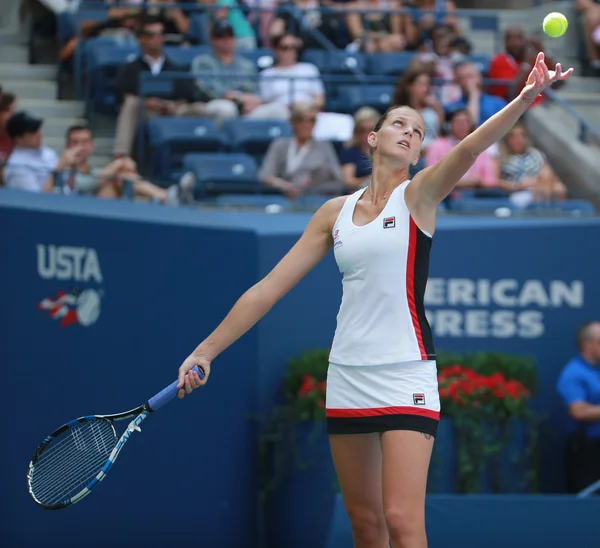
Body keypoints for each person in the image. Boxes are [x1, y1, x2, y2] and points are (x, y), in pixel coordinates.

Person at [175, 53, 571, 547]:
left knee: (402, 521)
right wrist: (206, 350)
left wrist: (524, 98)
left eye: (419, 130)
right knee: (365, 526)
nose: (408, 131)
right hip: (347, 374)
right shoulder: (333, 213)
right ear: (373, 137)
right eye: (398, 123)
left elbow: (470, 149)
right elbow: (266, 290)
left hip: (406, 370)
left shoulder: (420, 195)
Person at [557, 321, 600, 494]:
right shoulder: (573, 373)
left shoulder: (595, 372)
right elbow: (578, 411)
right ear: (588, 344)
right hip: (587, 450)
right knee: (589, 501)